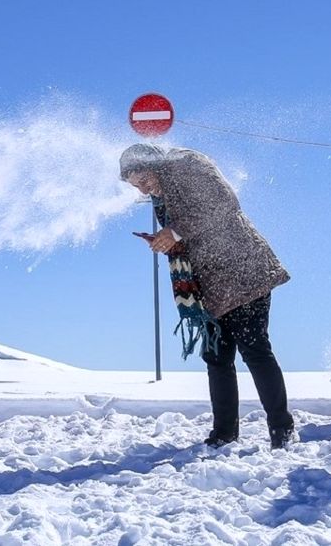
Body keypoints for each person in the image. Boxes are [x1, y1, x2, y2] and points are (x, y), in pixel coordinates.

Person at [120, 143, 296, 449]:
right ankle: (224, 433)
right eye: (137, 186)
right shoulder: (160, 194)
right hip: (212, 286)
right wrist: (168, 242)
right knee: (217, 359)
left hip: (243, 271)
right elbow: (186, 235)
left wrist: (174, 233)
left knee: (255, 350)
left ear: (154, 163)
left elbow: (223, 202)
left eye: (144, 179)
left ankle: (283, 429)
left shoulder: (188, 164)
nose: (144, 189)